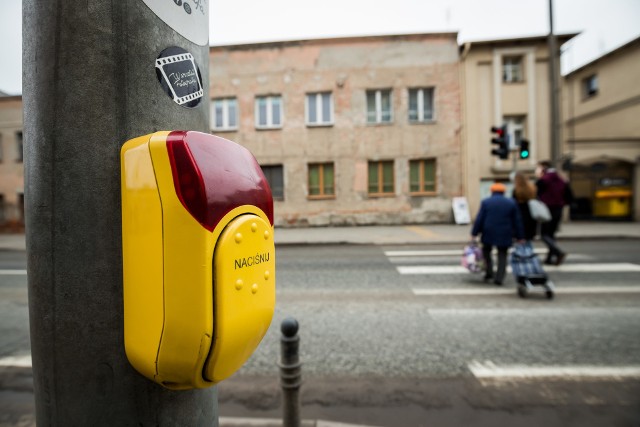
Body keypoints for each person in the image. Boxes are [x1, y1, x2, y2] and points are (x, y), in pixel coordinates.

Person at [471, 182, 525, 285]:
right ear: (504, 192)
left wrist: (474, 233)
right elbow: (517, 221)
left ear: (492, 191)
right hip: (505, 232)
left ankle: (489, 272)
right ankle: (499, 277)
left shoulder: (486, 202)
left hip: (488, 231)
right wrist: (520, 236)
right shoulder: (511, 202)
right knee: (502, 254)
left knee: (486, 252)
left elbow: (480, 219)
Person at [535, 160, 571, 265]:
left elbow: (536, 193)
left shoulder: (544, 180)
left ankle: (558, 252)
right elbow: (568, 195)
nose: (536, 170)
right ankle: (550, 258)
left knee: (543, 234)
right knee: (551, 234)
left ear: (543, 168)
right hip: (558, 209)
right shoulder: (561, 179)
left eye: (538, 168)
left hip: (546, 210)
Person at [512, 171, 538, 242]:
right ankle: (528, 250)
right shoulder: (532, 188)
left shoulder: (516, 190)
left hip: (520, 212)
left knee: (521, 235)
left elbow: (513, 201)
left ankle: (522, 250)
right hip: (531, 212)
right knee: (529, 235)